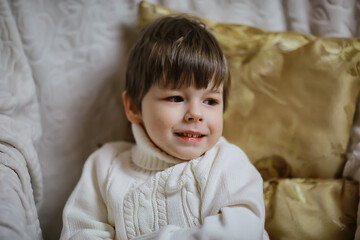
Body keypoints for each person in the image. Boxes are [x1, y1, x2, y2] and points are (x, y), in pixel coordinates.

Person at [60, 15, 268, 240]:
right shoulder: (105, 165)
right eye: (176, 98)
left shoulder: (227, 163)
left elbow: (240, 232)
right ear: (133, 107)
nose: (196, 114)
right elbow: (79, 232)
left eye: (210, 101)